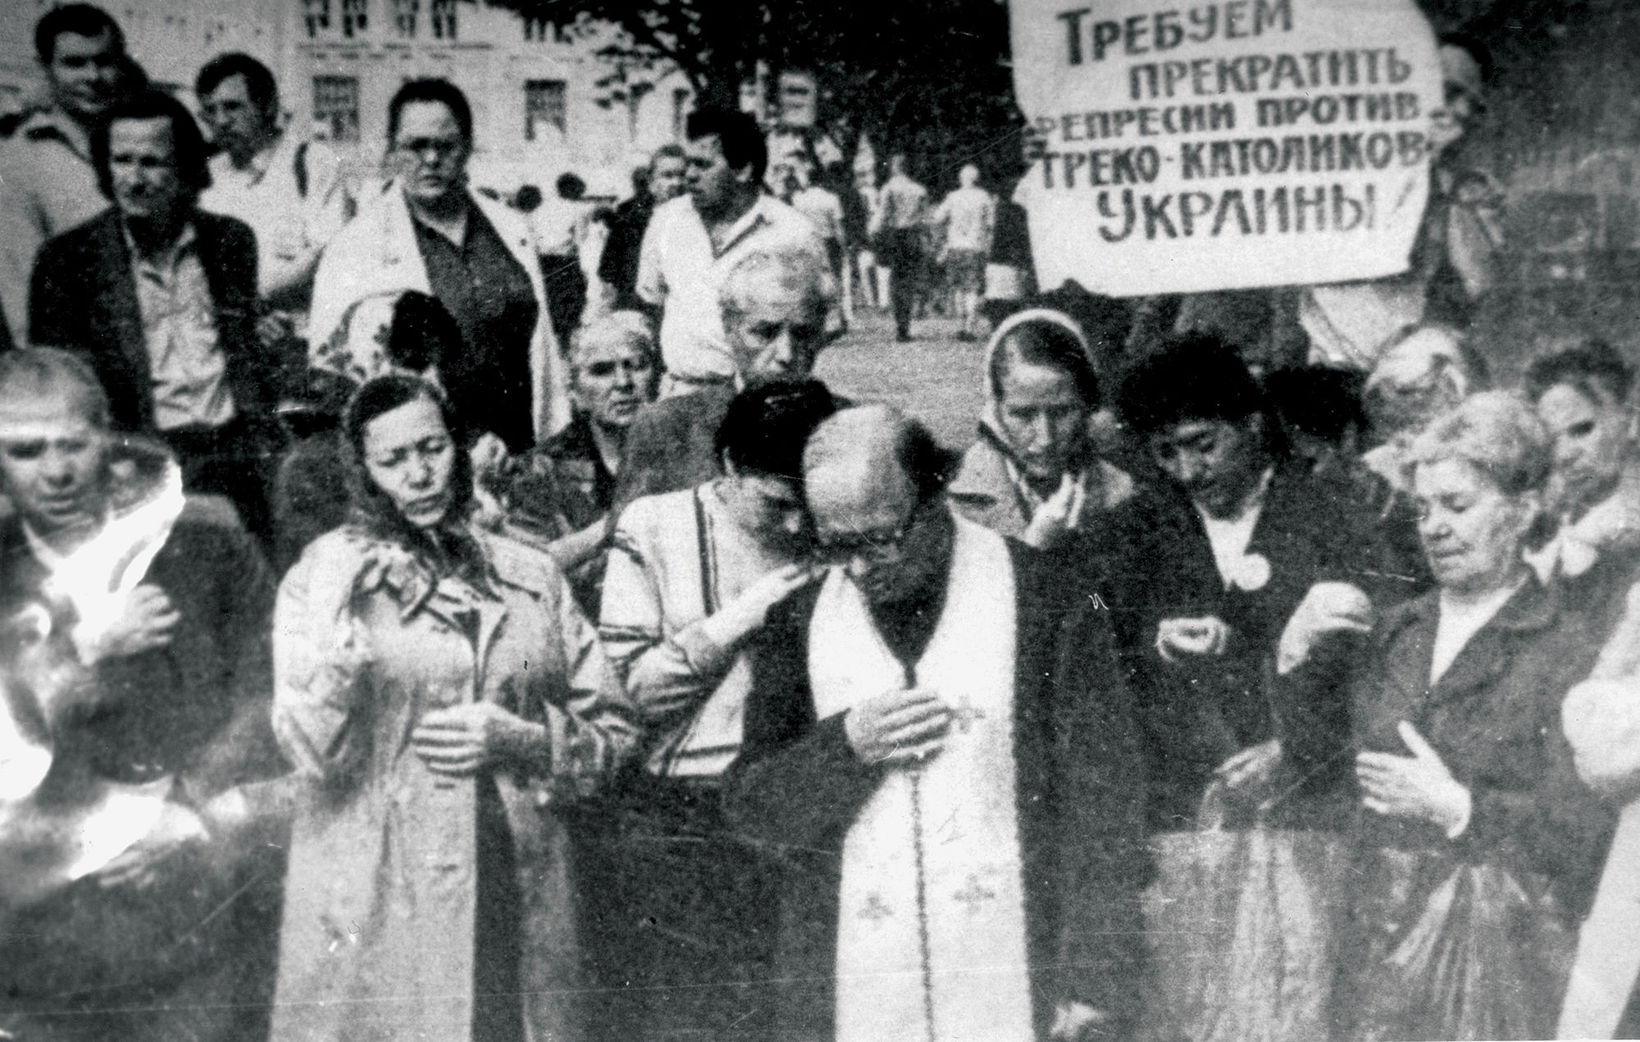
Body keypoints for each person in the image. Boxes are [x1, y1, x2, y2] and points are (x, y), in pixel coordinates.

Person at [723, 404, 1149, 1042]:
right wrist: (844, 748)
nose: (861, 569)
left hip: (1023, 977)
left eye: (882, 539)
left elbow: (1105, 799)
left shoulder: (1049, 598)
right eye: (839, 545)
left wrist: (1094, 977)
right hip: (856, 989)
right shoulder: (798, 623)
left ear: (934, 497)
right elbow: (752, 811)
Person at [269, 373, 639, 1042]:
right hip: (384, 897)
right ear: (363, 471)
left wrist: (528, 740)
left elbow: (616, 730)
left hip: (518, 880)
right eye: (393, 460)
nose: (419, 475)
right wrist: (336, 616)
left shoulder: (530, 574)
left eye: (433, 449)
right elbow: (308, 749)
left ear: (459, 449)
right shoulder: (324, 578)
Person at [0, 347, 285, 1042]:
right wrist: (78, 649)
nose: (58, 470)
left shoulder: (204, 545)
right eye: (27, 450)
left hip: (207, 902)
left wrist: (187, 802)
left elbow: (274, 691)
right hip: (51, 941)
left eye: (75, 443)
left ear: (110, 438)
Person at [1327, 391, 1613, 1040]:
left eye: (1457, 506)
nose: (1432, 526)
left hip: (1497, 970)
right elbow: (1329, 772)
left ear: (1522, 511)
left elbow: (1584, 833)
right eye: (1423, 508)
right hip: (1374, 958)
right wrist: (1294, 661)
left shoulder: (1568, 649)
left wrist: (1459, 809)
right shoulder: (1394, 630)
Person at [583, 379, 839, 1040]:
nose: (795, 525)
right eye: (777, 502)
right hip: (681, 815)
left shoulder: (836, 524)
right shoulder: (656, 525)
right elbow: (629, 693)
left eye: (805, 504)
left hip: (797, 807)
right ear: (729, 466)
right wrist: (742, 618)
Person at [28, 89, 281, 537]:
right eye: (122, 161)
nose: (135, 179)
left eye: (153, 162)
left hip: (234, 458)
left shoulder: (230, 242)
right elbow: (59, 391)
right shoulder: (68, 260)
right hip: (141, 465)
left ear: (185, 168)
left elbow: (244, 354)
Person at [309, 78, 565, 452]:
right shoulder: (354, 246)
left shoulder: (510, 227)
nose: (431, 159)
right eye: (415, 146)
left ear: (467, 148)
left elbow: (541, 346)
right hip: (423, 453)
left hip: (519, 444)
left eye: (445, 146)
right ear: (393, 149)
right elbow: (331, 374)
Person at [1300, 36, 1504, 370]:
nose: (1463, 114)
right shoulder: (1324, 174)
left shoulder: (1467, 194)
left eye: (1474, 106)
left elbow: (1475, 288)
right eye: (1448, 93)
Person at [614, 244, 840, 510]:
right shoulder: (667, 429)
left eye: (803, 334)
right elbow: (626, 535)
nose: (786, 354)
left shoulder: (850, 427)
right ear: (729, 328)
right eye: (764, 333)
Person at [637, 107, 824, 394]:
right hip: (681, 395)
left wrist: (773, 361)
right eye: (688, 164)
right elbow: (652, 299)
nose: (689, 175)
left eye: (702, 165)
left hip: (760, 398)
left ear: (743, 169)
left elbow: (827, 319)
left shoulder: (793, 230)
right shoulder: (667, 220)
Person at [273, 288, 465, 569]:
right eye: (417, 364)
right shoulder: (314, 466)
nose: (434, 381)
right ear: (370, 355)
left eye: (440, 367)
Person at [0, 4, 141, 347]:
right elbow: (25, 300)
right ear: (45, 68)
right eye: (74, 64)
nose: (93, 77)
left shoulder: (143, 141)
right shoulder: (19, 162)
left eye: (104, 61)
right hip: (84, 358)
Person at [500, 312, 659, 612]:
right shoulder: (541, 470)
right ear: (574, 392)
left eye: (636, 366)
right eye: (602, 371)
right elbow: (525, 570)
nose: (623, 382)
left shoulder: (685, 451)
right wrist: (613, 526)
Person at [947, 308, 1134, 549]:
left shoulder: (1123, 493)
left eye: (1061, 413)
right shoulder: (956, 502)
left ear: (1088, 406)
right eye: (1023, 415)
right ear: (995, 410)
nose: (1045, 438)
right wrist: (1034, 549)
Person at [194, 52, 353, 332]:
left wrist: (245, 301)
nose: (220, 120)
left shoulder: (312, 162)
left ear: (268, 106)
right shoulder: (208, 176)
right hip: (230, 335)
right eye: (210, 110)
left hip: (300, 335)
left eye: (232, 107)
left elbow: (325, 253)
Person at [1526, 340, 1640, 632]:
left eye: (1582, 430)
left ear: (1631, 422)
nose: (1564, 455)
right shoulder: (1544, 533)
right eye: (1551, 439)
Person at [598, 145, 687, 312]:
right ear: (652, 180)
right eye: (667, 176)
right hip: (637, 309)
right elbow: (608, 269)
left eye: (682, 175)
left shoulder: (699, 218)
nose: (676, 183)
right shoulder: (630, 219)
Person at [930, 164, 995, 340]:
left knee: (958, 288)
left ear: (961, 179)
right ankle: (970, 329)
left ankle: (960, 325)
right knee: (973, 289)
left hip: (955, 246)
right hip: (975, 247)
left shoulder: (952, 197)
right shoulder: (984, 197)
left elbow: (937, 218)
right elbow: (991, 224)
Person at [532, 172, 595, 346]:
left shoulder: (540, 209)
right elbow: (581, 241)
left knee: (550, 304)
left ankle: (554, 344)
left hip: (544, 263)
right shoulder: (577, 210)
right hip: (565, 262)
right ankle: (566, 344)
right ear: (572, 190)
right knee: (571, 304)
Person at [872, 152, 929, 342]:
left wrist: (873, 232)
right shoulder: (919, 190)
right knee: (909, 280)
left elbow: (882, 214)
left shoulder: (888, 188)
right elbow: (924, 218)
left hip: (895, 236)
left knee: (895, 281)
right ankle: (907, 323)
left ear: (894, 168)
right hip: (913, 235)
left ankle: (901, 326)